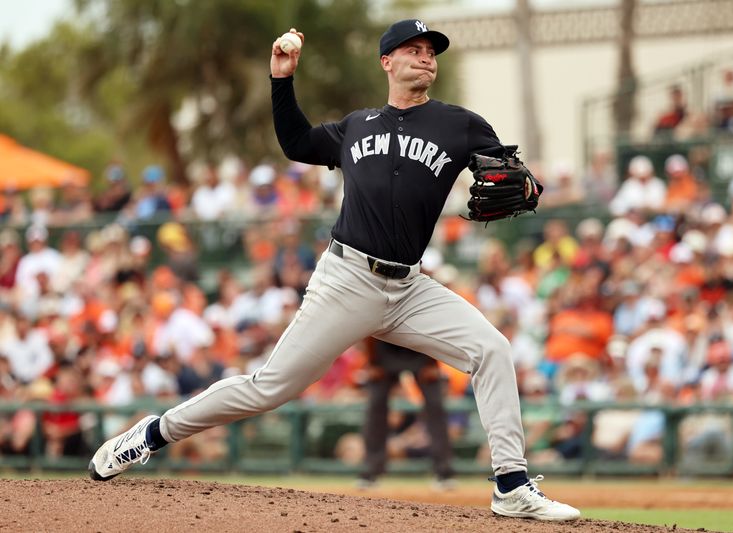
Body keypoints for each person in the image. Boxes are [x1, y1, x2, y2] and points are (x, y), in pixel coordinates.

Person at [88, 19, 580, 522]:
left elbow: (514, 179)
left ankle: (512, 485)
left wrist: (528, 190)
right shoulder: (356, 126)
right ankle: (151, 434)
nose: (426, 57)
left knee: (491, 349)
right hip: (347, 279)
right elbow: (297, 143)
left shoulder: (460, 124)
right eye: (413, 49)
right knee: (269, 387)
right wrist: (282, 80)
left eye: (431, 50)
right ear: (387, 61)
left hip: (410, 288)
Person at [358, 339, 454, 489]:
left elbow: (431, 326)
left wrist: (432, 363)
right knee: (375, 404)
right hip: (385, 347)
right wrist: (373, 363)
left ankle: (444, 472)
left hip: (421, 348)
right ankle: (371, 471)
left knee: (436, 405)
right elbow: (369, 331)